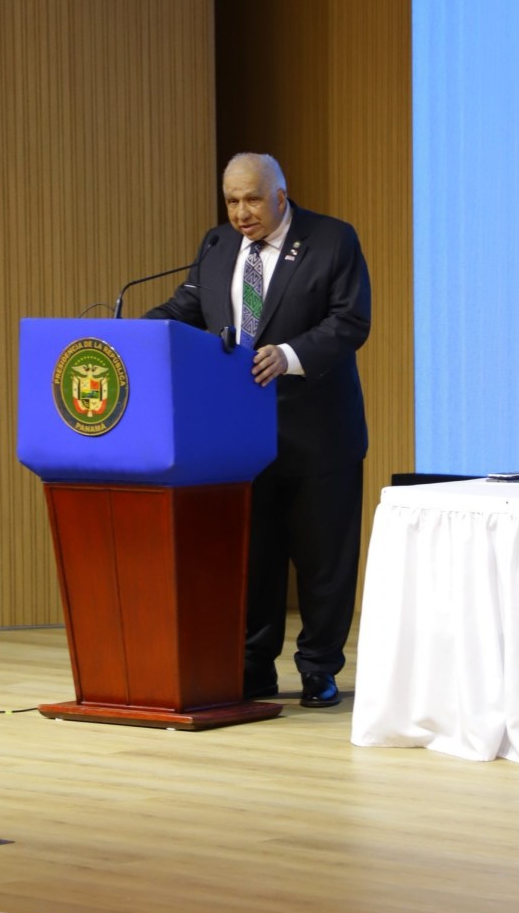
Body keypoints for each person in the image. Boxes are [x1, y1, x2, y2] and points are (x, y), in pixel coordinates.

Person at [146, 152, 371, 706]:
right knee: (254, 558)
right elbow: (188, 307)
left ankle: (319, 668)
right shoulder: (219, 246)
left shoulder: (331, 240)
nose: (241, 213)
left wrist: (290, 354)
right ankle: (253, 667)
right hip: (241, 435)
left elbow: (350, 321)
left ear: (280, 195)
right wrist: (129, 335)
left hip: (319, 431)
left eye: (251, 200)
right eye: (231, 201)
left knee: (322, 562)